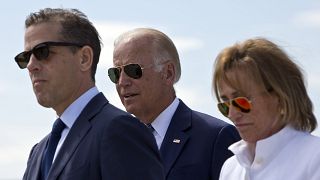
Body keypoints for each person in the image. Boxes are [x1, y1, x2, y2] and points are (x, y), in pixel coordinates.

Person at [15, 8, 164, 180]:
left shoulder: (120, 131)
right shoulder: (39, 152)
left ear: (84, 58)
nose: (31, 66)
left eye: (43, 51)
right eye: (25, 57)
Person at [107, 28, 240, 180]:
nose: (122, 82)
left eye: (133, 70)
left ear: (168, 73)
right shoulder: (117, 144)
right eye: (116, 73)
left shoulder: (216, 138)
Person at [212, 38, 320, 180]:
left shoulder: (315, 157)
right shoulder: (231, 169)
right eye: (225, 104)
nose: (232, 114)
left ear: (279, 95)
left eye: (241, 101)